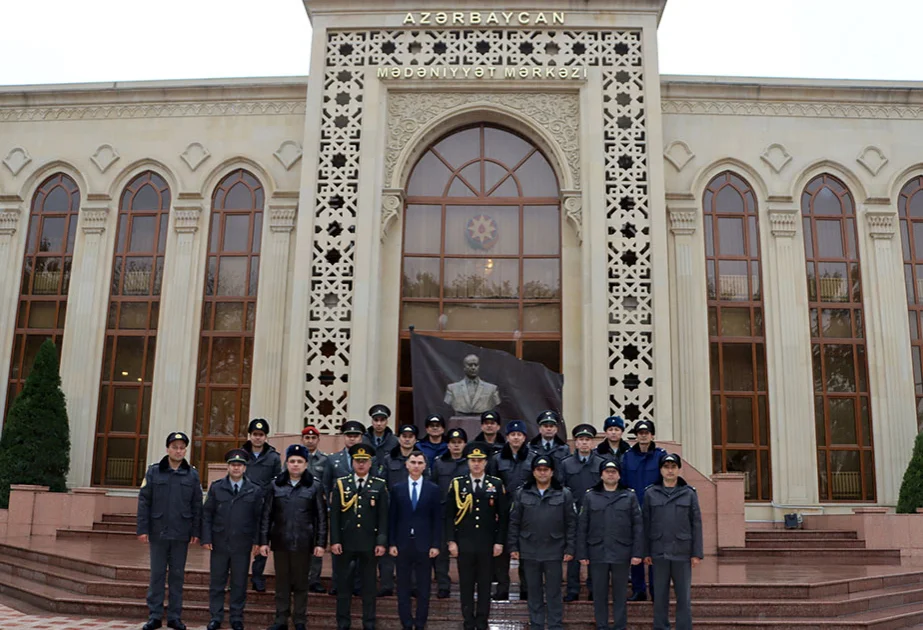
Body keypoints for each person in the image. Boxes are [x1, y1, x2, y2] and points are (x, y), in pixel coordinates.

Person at [258, 443, 328, 630]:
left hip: (304, 543)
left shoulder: (314, 486)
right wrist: (263, 541)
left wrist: (321, 543)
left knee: (300, 584)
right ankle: (281, 619)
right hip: (280, 542)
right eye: (292, 461)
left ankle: (299, 620)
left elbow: (321, 517)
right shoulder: (276, 485)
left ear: (306, 464)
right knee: (282, 584)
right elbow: (267, 515)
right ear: (286, 463)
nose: (295, 465)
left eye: (299, 461)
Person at [137, 431, 202, 630]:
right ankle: (155, 616)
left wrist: (196, 531)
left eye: (182, 447)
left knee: (177, 576)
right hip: (158, 532)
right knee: (157, 575)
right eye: (175, 447)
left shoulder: (192, 474)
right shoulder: (154, 472)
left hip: (181, 533)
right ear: (168, 449)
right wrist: (142, 528)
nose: (178, 451)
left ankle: (174, 617)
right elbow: (144, 502)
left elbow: (197, 505)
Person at [508, 455, 576, 630]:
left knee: (554, 592)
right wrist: (513, 546)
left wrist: (570, 547)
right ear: (533, 472)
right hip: (529, 548)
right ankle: (537, 624)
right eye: (539, 469)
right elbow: (514, 521)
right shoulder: (522, 493)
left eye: (546, 469)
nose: (542, 473)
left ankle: (555, 625)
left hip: (554, 549)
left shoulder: (564, 493)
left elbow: (571, 523)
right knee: (534, 591)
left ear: (552, 472)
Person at [445, 442, 508, 630]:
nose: (476, 464)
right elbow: (448, 515)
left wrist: (499, 542)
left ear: (486, 462)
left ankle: (482, 620)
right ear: (468, 462)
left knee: (484, 584)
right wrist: (451, 541)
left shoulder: (495, 484)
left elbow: (503, 517)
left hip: (487, 544)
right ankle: (468, 620)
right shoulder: (458, 484)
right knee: (466, 584)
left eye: (480, 460)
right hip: (464, 543)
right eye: (473, 460)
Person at [577, 460, 643, 630]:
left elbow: (637, 526)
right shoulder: (590, 496)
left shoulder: (629, 496)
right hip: (597, 551)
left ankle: (620, 626)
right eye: (607, 471)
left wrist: (637, 553)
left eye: (614, 471)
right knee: (599, 594)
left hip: (622, 551)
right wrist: (582, 553)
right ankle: (602, 626)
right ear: (601, 475)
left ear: (619, 475)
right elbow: (583, 526)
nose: (611, 474)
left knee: (620, 593)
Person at [330, 444, 389, 630]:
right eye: (358, 461)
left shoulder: (379, 485)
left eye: (364, 461)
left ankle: (369, 623)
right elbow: (335, 516)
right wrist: (335, 540)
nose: (361, 465)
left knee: (369, 587)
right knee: (344, 586)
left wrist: (381, 541)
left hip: (369, 544)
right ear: (352, 462)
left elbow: (383, 517)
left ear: (370, 463)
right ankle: (343, 623)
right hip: (346, 543)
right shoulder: (342, 484)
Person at [202, 448, 262, 630]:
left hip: (242, 544)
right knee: (217, 582)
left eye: (240, 465)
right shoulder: (217, 487)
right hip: (219, 542)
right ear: (227, 467)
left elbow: (259, 518)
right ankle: (216, 617)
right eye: (233, 465)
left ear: (245, 468)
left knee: (239, 582)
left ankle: (236, 617)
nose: (236, 468)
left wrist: (258, 541)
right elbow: (207, 514)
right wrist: (206, 537)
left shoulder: (255, 490)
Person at [643, 454, 703, 630]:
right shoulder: (650, 493)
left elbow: (696, 524)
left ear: (678, 469)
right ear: (661, 470)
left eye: (673, 466)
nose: (670, 470)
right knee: (660, 595)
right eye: (666, 466)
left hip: (682, 552)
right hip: (658, 551)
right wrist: (645, 551)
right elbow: (645, 524)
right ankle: (661, 627)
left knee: (683, 596)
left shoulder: (689, 493)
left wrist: (696, 553)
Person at [388, 450, 441, 630]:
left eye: (420, 463)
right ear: (407, 465)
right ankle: (406, 622)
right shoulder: (397, 488)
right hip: (402, 544)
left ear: (425, 466)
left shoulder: (433, 489)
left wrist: (435, 544)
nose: (416, 466)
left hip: (424, 545)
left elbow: (437, 519)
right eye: (413, 462)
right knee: (402, 587)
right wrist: (392, 543)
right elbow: (392, 518)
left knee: (424, 588)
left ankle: (420, 623)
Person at [324, 420, 374, 598]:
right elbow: (327, 485)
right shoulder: (333, 460)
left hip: (363, 512)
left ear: (362, 437)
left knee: (361, 550)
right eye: (349, 435)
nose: (352, 439)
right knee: (339, 551)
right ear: (344, 437)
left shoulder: (369, 460)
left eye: (356, 436)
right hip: (342, 513)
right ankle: (338, 583)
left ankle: (358, 585)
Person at [620, 419, 667, 602]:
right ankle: (639, 589)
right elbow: (623, 483)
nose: (643, 435)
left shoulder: (661, 456)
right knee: (636, 552)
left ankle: (657, 589)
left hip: (655, 511)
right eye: (640, 432)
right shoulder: (628, 456)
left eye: (646, 432)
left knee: (655, 553)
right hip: (633, 510)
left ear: (652, 435)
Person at [488, 420, 534, 601]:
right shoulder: (497, 459)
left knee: (526, 550)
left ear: (524, 437)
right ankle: (502, 588)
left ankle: (526, 588)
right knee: (502, 552)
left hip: (527, 511)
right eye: (513, 435)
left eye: (519, 435)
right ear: (507, 437)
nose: (516, 438)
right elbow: (491, 485)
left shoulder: (533, 458)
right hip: (503, 511)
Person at [560, 423, 603, 602]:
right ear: (575, 443)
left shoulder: (601, 463)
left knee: (594, 552)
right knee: (574, 553)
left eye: (587, 440)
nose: (584, 443)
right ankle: (572, 589)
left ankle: (594, 588)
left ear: (592, 443)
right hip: (573, 514)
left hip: (596, 515)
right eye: (580, 440)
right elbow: (562, 489)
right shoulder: (566, 464)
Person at [241, 418, 282, 593]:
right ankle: (239, 576)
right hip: (243, 504)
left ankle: (257, 576)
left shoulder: (273, 457)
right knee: (241, 542)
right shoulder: (241, 454)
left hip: (265, 505)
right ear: (250, 436)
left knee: (262, 540)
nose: (258, 438)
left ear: (266, 437)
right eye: (255, 434)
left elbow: (277, 481)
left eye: (261, 435)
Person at [431, 427, 470, 598]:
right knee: (441, 553)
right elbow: (432, 486)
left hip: (465, 514)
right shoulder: (439, 463)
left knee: (466, 552)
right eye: (453, 443)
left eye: (459, 443)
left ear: (464, 444)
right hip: (442, 513)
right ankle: (443, 585)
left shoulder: (470, 463)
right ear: (447, 445)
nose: (456, 446)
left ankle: (466, 585)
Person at [301, 425, 329, 594]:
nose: (310, 441)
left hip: (317, 508)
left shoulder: (325, 460)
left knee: (317, 545)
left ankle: (314, 579)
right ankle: (299, 578)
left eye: (313, 438)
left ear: (318, 440)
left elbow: (327, 485)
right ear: (302, 439)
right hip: (298, 507)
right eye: (307, 438)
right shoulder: (294, 458)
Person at [528, 410, 569, 480]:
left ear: (556, 429)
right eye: (545, 426)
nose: (549, 429)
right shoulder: (530, 447)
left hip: (557, 487)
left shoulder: (564, 448)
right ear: (540, 429)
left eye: (551, 426)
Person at [363, 404, 398, 468]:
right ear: (372, 421)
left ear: (387, 422)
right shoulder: (363, 440)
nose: (379, 424)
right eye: (376, 420)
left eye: (382, 420)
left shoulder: (394, 441)